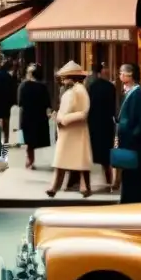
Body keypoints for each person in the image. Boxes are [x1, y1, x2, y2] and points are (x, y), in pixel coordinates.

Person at [47, 61, 92, 198]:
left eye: (65, 77)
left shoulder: (80, 90)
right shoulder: (73, 90)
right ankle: (56, 187)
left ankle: (81, 187)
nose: (63, 80)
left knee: (77, 161)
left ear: (72, 77)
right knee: (65, 161)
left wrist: (63, 119)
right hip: (70, 131)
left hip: (74, 130)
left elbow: (83, 112)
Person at [115, 62, 141, 204]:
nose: (120, 75)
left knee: (134, 176)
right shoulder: (128, 92)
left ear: (130, 75)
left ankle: (134, 202)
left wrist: (132, 136)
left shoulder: (139, 94)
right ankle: (127, 200)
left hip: (135, 145)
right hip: (127, 143)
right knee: (128, 175)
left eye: (122, 73)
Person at [86, 61, 118, 191]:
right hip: (106, 124)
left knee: (89, 154)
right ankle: (109, 181)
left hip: (93, 123)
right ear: (102, 71)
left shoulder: (91, 86)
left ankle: (86, 184)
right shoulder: (111, 87)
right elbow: (113, 108)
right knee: (106, 157)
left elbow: (88, 105)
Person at [16, 64, 52, 170]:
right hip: (40, 116)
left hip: (27, 116)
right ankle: (31, 160)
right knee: (37, 139)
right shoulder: (43, 87)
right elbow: (47, 104)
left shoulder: (23, 86)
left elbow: (20, 103)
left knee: (29, 141)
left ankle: (30, 160)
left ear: (30, 74)